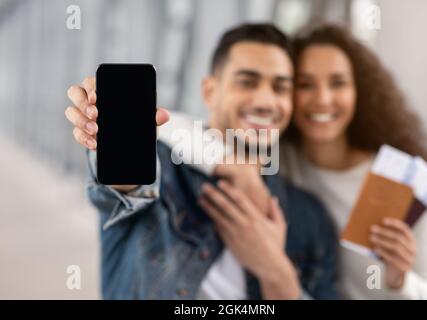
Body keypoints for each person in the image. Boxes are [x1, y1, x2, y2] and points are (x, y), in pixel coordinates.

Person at [163, 24, 427, 299]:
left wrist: (401, 281)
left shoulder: (397, 180)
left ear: (359, 92)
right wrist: (235, 167)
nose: (322, 99)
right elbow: (172, 124)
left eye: (338, 83)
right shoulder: (277, 156)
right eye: (305, 85)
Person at [64, 23, 338, 299]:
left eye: (280, 88)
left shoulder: (310, 219)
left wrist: (276, 272)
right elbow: (120, 189)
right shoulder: (162, 170)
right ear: (209, 91)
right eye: (247, 82)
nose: (265, 101)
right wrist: (108, 134)